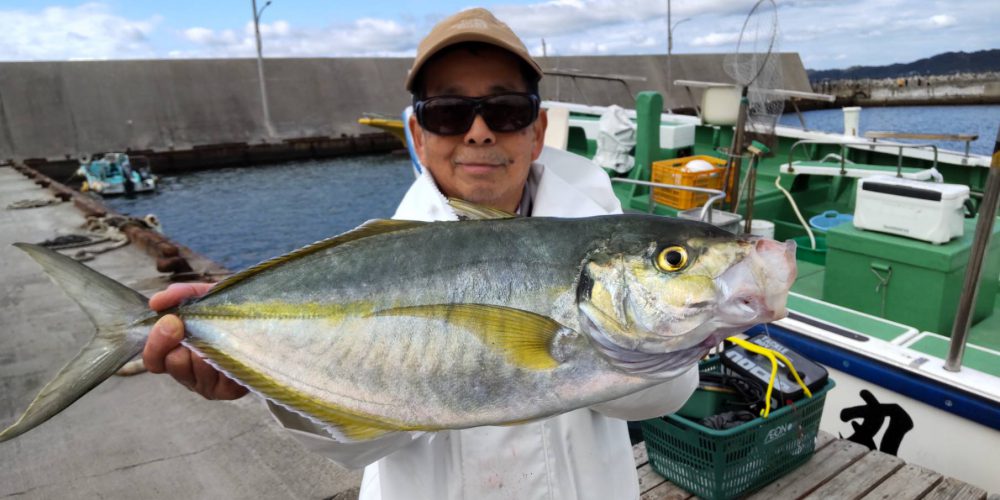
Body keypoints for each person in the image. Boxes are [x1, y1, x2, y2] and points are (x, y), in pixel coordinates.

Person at [143, 8, 697, 499]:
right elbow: (361, 444)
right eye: (448, 112)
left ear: (538, 130)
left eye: (505, 109)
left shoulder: (604, 239)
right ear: (418, 133)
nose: (478, 132)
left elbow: (663, 398)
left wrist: (677, 326)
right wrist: (256, 366)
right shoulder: (373, 253)